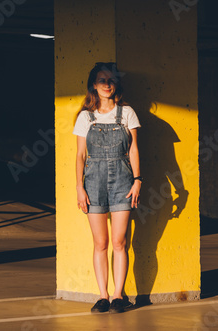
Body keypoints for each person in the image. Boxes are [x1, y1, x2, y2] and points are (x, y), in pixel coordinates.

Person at [73, 62, 142, 314]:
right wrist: (80, 188)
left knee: (120, 241)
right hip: (93, 182)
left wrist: (137, 180)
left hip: (123, 181)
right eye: (102, 80)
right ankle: (102, 296)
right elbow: (81, 155)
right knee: (100, 242)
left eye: (111, 80)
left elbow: (133, 149)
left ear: (116, 84)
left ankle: (117, 296)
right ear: (94, 84)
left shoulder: (127, 113)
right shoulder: (84, 116)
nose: (107, 84)